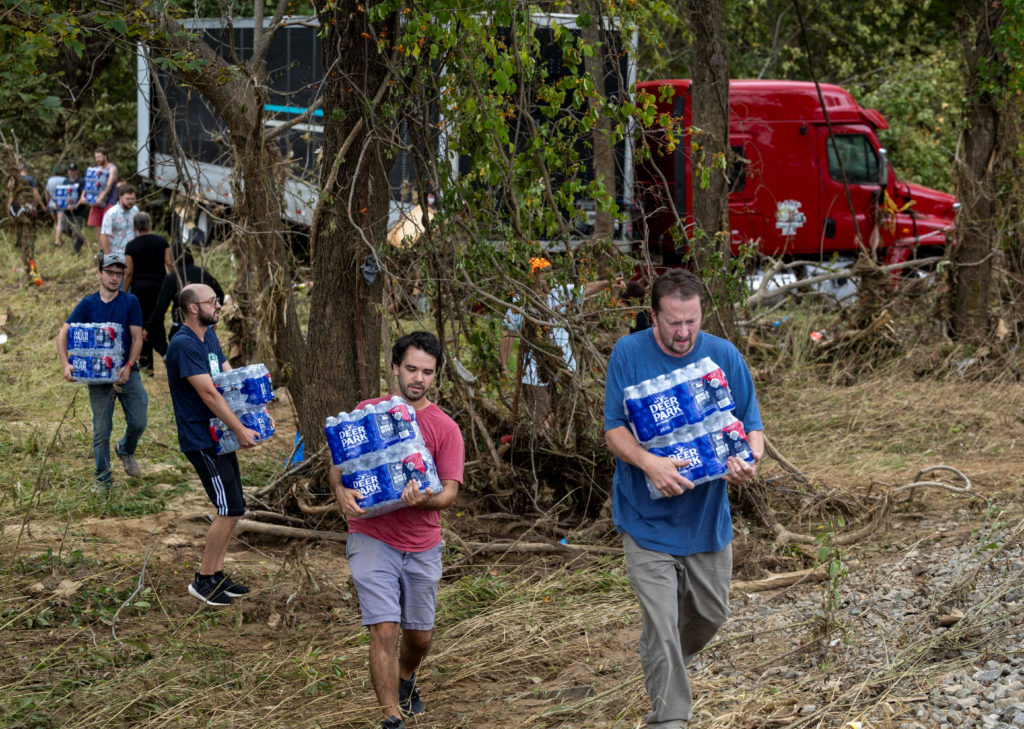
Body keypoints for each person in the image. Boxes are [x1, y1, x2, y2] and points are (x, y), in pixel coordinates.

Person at [603, 269, 764, 729]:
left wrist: (748, 461)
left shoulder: (724, 356)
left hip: (706, 521)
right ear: (653, 316)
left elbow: (753, 428)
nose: (683, 333)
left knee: (711, 614)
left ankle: (660, 652)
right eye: (673, 322)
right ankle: (670, 719)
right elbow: (614, 429)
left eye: (691, 321)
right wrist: (648, 463)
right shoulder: (628, 354)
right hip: (645, 520)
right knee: (661, 625)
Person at [331, 331, 465, 729]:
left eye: (427, 371)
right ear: (394, 368)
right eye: (411, 369)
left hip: (422, 543)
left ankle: (406, 678)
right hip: (371, 535)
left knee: (419, 637)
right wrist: (340, 491)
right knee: (383, 628)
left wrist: (427, 498)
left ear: (435, 375)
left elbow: (450, 492)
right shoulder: (367, 414)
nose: (418, 378)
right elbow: (339, 468)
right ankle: (391, 717)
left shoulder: (446, 428)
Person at [165, 283, 260, 607]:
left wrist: (253, 410)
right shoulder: (183, 344)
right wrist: (241, 429)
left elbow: (226, 377)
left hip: (218, 436)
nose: (218, 306)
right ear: (194, 307)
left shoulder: (209, 337)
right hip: (200, 439)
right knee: (228, 507)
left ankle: (216, 574)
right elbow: (208, 393)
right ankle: (204, 580)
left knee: (235, 507)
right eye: (212, 302)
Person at [56, 253, 148, 492]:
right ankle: (103, 479)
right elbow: (62, 335)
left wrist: (128, 366)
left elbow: (137, 337)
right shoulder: (88, 304)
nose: (115, 278)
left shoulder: (130, 302)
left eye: (119, 274)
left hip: (127, 372)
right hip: (97, 377)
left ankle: (126, 449)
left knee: (139, 421)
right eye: (110, 272)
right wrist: (66, 364)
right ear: (99, 274)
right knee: (101, 430)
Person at [501, 256, 622, 424]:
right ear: (532, 277)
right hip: (534, 371)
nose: (548, 277)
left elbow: (585, 288)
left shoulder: (559, 292)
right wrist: (504, 366)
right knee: (542, 418)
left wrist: (607, 283)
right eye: (543, 274)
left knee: (567, 414)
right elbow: (509, 332)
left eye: (549, 273)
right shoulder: (522, 300)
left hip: (565, 366)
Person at [145, 246, 224, 358]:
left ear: (174, 258)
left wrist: (148, 327)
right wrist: (212, 317)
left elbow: (160, 308)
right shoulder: (202, 273)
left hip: (182, 326)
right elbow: (220, 293)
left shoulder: (172, 277)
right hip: (205, 327)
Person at [123, 212, 171, 372]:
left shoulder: (131, 245)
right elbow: (170, 264)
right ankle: (164, 352)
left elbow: (128, 272)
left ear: (135, 226)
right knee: (156, 319)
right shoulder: (162, 241)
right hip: (159, 288)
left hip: (139, 290)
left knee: (141, 323)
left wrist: (123, 291)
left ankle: (146, 364)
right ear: (149, 224)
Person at [5, 158, 44, 283]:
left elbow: (10, 198)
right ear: (25, 170)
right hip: (27, 213)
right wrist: (40, 206)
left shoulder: (13, 181)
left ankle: (29, 269)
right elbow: (36, 195)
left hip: (16, 214)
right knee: (29, 241)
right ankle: (30, 270)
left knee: (22, 240)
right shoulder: (30, 179)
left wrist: (9, 212)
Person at [82, 147, 118, 231]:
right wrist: (83, 196)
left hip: (108, 201)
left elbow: (109, 186)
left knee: (107, 226)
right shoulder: (95, 169)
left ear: (105, 157)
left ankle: (108, 244)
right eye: (96, 157)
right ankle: (100, 244)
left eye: (99, 157)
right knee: (96, 226)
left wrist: (101, 198)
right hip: (95, 202)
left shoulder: (112, 168)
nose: (97, 159)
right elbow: (88, 183)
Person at [99, 183, 138, 257]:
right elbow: (104, 235)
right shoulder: (111, 213)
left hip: (133, 252)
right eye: (128, 199)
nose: (130, 201)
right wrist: (108, 256)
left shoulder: (135, 211)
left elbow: (137, 230)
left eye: (132, 199)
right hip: (116, 253)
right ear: (120, 198)